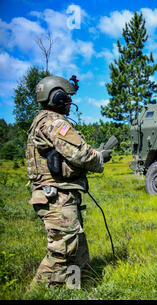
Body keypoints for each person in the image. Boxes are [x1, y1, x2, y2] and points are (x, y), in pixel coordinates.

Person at [26, 75, 112, 288]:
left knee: (77, 251)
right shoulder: (55, 123)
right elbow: (81, 154)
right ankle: (37, 293)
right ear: (57, 98)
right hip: (57, 198)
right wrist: (100, 157)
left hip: (60, 195)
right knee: (62, 253)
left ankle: (76, 288)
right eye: (67, 98)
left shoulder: (42, 121)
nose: (69, 104)